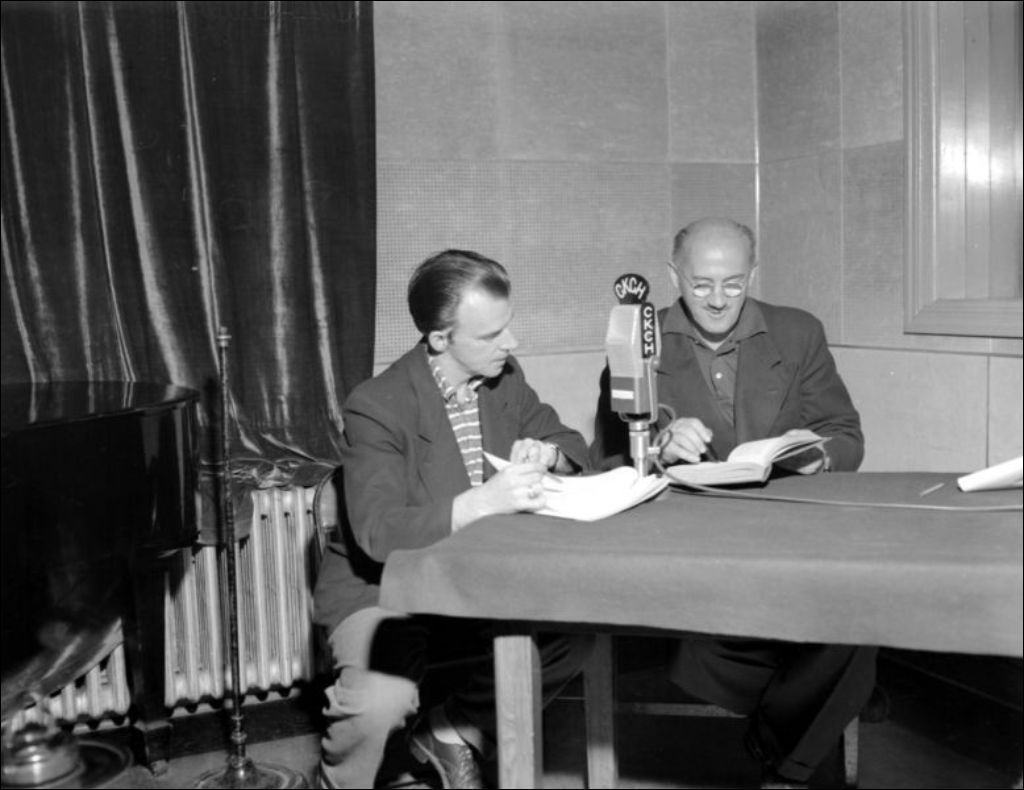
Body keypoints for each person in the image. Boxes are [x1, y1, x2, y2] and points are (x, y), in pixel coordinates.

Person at [590, 217, 876, 789]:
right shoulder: (636, 343)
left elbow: (845, 433)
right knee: (820, 648)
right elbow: (606, 465)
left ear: (753, 274)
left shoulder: (797, 332)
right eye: (701, 285)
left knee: (856, 618)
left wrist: (817, 456)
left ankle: (780, 755)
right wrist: (659, 446)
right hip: (696, 550)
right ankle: (794, 755)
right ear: (674, 276)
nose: (718, 300)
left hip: (791, 535)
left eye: (734, 283)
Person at [313, 249, 593, 790]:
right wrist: (483, 502)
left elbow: (570, 442)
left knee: (576, 637)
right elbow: (378, 532)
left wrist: (550, 453)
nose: (512, 343)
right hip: (385, 589)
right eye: (492, 335)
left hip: (478, 577)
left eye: (508, 326)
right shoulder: (377, 404)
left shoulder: (505, 379)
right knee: (380, 702)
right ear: (440, 339)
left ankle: (453, 728)